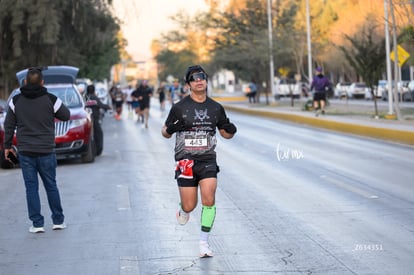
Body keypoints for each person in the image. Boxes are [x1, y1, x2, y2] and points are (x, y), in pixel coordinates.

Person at [161, 65, 237, 258]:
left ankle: (204, 243)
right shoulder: (179, 108)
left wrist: (230, 129)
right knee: (190, 205)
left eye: (201, 77)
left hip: (207, 160)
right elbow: (165, 133)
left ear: (206, 80)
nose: (199, 80)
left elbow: (225, 134)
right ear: (188, 84)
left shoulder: (215, 108)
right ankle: (183, 209)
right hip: (185, 161)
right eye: (194, 78)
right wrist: (171, 127)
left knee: (209, 199)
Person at [3, 67, 70, 233]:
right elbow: (66, 115)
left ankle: (37, 224)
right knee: (51, 186)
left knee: (31, 188)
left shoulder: (15, 101)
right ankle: (58, 221)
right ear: (42, 82)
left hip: (26, 151)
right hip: (46, 150)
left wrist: (7, 146)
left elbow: (9, 125)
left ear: (25, 82)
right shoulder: (50, 99)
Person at [86, 84, 111, 156]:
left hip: (86, 120)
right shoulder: (94, 97)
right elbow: (101, 105)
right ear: (93, 91)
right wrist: (108, 107)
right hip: (94, 119)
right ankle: (98, 151)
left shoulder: (84, 97)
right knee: (99, 134)